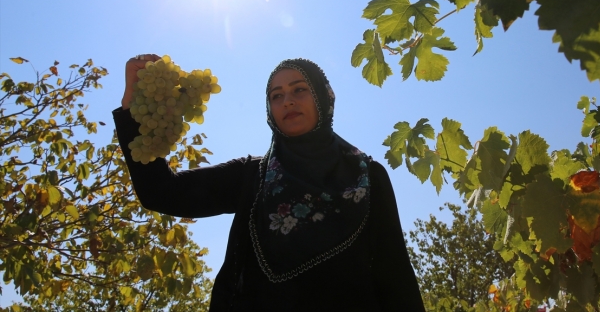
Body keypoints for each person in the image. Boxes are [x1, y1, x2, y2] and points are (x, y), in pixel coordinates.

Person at [113, 54, 425, 312]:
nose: (287, 101)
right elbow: (162, 193)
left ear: (323, 97)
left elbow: (396, 279)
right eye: (277, 96)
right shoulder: (250, 175)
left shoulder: (368, 176)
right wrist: (132, 105)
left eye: (299, 89)